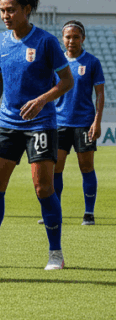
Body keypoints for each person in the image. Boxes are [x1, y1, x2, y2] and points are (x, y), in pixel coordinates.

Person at [0, 0, 73, 271]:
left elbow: (66, 81)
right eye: (2, 10)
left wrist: (41, 100)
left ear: (27, 9)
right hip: (9, 123)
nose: (5, 15)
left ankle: (55, 254)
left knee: (43, 188)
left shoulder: (47, 42)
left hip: (41, 124)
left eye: (11, 10)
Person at [52, 20, 105, 225]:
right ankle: (54, 211)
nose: (71, 40)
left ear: (83, 38)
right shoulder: (56, 64)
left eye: (76, 37)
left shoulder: (92, 62)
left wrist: (96, 122)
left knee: (86, 167)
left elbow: (100, 95)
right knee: (56, 168)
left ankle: (89, 213)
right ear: (62, 39)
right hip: (59, 123)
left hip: (84, 123)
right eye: (68, 37)